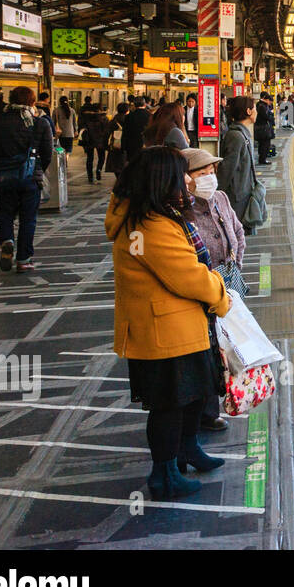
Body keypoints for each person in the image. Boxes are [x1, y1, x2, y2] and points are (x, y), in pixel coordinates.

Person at [107, 146, 232, 498]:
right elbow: (188, 276)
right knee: (169, 405)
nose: (191, 181)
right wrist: (223, 296)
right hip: (164, 332)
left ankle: (187, 450)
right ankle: (164, 474)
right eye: (183, 175)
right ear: (163, 181)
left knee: (193, 395)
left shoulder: (154, 217)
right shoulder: (150, 227)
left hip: (177, 326)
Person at [181, 146, 247, 433]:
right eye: (201, 173)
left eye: (211, 172)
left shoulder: (220, 198)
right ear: (185, 177)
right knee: (206, 353)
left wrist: (236, 264)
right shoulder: (181, 208)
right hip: (199, 292)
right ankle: (205, 413)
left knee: (228, 348)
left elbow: (238, 232)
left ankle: (224, 401)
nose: (209, 177)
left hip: (228, 287)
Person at [0, 86, 53, 272]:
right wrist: (38, 170)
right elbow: (47, 154)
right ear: (32, 102)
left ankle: (7, 240)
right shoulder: (40, 123)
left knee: (5, 213)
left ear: (10, 100)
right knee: (28, 219)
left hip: (5, 176)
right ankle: (24, 260)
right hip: (30, 178)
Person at [219, 95, 266, 235]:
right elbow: (226, 170)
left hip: (242, 194)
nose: (256, 112)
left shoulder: (242, 134)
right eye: (254, 109)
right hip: (237, 198)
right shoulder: (236, 136)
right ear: (248, 111)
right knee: (236, 239)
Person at [79, 100, 109, 184]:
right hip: (100, 141)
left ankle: (90, 177)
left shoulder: (86, 118)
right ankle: (99, 169)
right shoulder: (104, 118)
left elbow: (82, 129)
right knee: (101, 157)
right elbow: (107, 131)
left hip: (89, 140)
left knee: (89, 159)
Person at [122, 95, 151, 163]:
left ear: (134, 105)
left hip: (131, 146)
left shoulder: (128, 117)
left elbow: (125, 132)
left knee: (133, 165)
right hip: (146, 145)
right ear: (144, 104)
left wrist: (123, 147)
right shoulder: (150, 116)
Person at [255, 94, 276, 165]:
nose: (270, 103)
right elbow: (266, 116)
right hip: (263, 129)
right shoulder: (262, 106)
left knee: (263, 144)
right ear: (267, 100)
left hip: (263, 128)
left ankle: (262, 158)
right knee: (265, 144)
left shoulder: (261, 105)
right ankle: (262, 159)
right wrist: (271, 114)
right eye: (270, 102)